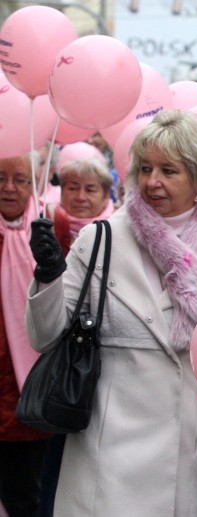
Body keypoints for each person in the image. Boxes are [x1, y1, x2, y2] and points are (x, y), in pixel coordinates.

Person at [25, 110, 197, 516]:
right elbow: (45, 336)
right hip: (107, 450)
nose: (153, 181)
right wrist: (48, 276)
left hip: (190, 453)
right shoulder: (101, 240)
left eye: (169, 170)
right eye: (146, 168)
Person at [0, 152, 50, 517]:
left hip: (31, 394)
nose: (8, 188)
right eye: (0, 178)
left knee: (27, 498)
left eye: (19, 179)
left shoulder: (52, 228)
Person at [44, 157, 115, 256]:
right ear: (61, 192)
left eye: (90, 190)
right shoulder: (45, 221)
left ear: (106, 196)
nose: (80, 197)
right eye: (73, 188)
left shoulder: (118, 226)